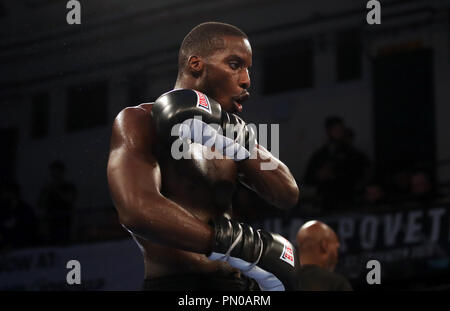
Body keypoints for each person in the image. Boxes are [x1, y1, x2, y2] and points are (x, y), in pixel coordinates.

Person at [107, 22, 300, 291]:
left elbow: (286, 193)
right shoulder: (139, 120)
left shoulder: (232, 134)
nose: (246, 80)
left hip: (236, 287)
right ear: (196, 64)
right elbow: (136, 209)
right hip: (176, 285)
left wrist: (238, 139)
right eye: (235, 65)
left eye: (247, 68)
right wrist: (238, 247)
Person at [303, 117, 370, 212]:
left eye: (340, 129)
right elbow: (308, 179)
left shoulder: (353, 154)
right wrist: (319, 176)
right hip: (327, 204)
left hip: (349, 202)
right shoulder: (321, 155)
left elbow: (364, 173)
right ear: (328, 131)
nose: (338, 132)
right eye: (335, 129)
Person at [295, 220, 352, 291]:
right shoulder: (335, 284)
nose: (337, 256)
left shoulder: (284, 279)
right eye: (336, 248)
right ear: (324, 246)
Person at [37, 160, 77, 246]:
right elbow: (40, 204)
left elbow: (70, 199)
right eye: (53, 173)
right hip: (50, 222)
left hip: (65, 221)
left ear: (62, 172)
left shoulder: (68, 186)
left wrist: (56, 189)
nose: (55, 175)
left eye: (57, 172)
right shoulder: (47, 188)